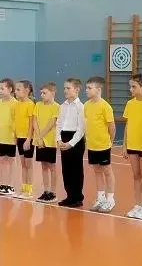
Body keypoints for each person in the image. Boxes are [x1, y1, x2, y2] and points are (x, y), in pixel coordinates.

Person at [122, 74, 142, 221]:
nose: (131, 89)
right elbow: (128, 125)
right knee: (136, 176)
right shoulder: (130, 104)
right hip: (132, 145)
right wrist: (124, 145)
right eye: (130, 86)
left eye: (134, 86)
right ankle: (138, 205)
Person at [84, 76, 116, 212]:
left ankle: (110, 199)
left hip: (103, 146)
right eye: (86, 88)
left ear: (98, 89)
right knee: (97, 171)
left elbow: (112, 127)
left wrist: (110, 143)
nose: (86, 90)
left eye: (89, 88)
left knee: (107, 171)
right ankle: (100, 197)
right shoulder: (86, 105)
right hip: (92, 145)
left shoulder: (105, 106)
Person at [55, 78, 85, 208]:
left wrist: (70, 144)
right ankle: (69, 196)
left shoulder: (81, 107)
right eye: (64, 88)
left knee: (76, 170)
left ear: (77, 90)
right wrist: (59, 139)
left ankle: (77, 197)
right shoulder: (63, 106)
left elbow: (81, 129)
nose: (65, 91)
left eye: (68, 88)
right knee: (66, 169)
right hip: (64, 137)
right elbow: (59, 124)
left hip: (75, 140)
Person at [31, 82, 59, 203]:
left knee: (52, 166)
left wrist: (41, 136)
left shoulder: (56, 107)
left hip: (50, 141)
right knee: (43, 166)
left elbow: (51, 123)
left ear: (52, 93)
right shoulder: (38, 105)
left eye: (44, 93)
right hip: (39, 141)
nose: (42, 95)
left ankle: (53, 192)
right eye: (41, 93)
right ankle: (46, 191)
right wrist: (38, 138)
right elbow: (34, 121)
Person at [0, 79, 17, 196]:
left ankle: (11, 185)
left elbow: (17, 120)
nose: (0, 91)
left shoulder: (15, 103)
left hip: (11, 137)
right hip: (1, 136)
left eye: (2, 88)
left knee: (11, 160)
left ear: (10, 89)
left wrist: (15, 134)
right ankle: (3, 184)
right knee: (3, 160)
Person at [12, 80, 36, 199]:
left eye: (18, 89)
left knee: (28, 164)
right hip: (19, 137)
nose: (15, 92)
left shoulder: (30, 104)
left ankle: (29, 189)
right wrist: (15, 136)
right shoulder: (16, 105)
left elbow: (32, 123)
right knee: (23, 164)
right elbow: (15, 121)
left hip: (28, 139)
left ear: (26, 90)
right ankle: (23, 187)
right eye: (15, 89)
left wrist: (28, 139)